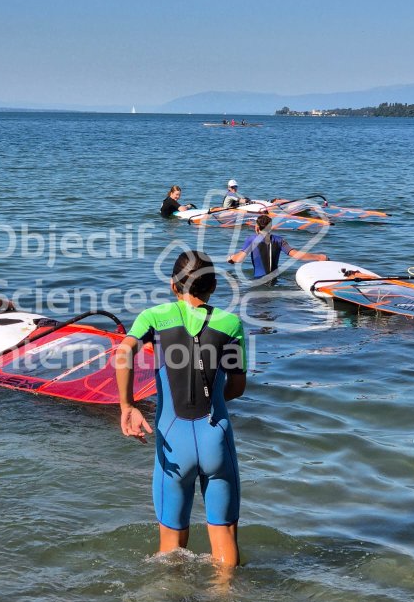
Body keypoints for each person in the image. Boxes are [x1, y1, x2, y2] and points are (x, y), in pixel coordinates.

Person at [116, 250, 246, 568]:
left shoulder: (153, 318)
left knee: (170, 547)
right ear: (214, 285)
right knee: (225, 536)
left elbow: (123, 353)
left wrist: (127, 405)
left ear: (175, 287)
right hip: (215, 436)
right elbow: (237, 386)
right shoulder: (231, 324)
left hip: (173, 443)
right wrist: (213, 403)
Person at [227, 214, 327, 281]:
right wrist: (319, 257)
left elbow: (239, 259)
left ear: (256, 227)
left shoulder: (251, 240)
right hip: (275, 280)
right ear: (270, 227)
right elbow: (296, 255)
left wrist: (231, 258)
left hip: (258, 281)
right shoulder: (279, 240)